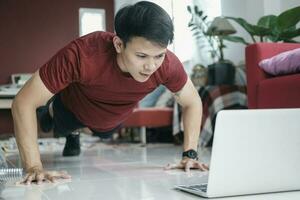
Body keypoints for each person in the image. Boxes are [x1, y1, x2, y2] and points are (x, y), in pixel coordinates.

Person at [11, 1, 208, 185]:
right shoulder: (82, 54)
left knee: (106, 132)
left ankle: (76, 133)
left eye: (159, 56)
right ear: (118, 44)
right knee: (59, 124)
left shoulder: (167, 65)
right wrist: (34, 167)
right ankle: (54, 112)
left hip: (111, 120)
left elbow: (192, 102)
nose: (151, 66)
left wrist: (190, 154)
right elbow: (23, 102)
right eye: (141, 56)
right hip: (72, 108)